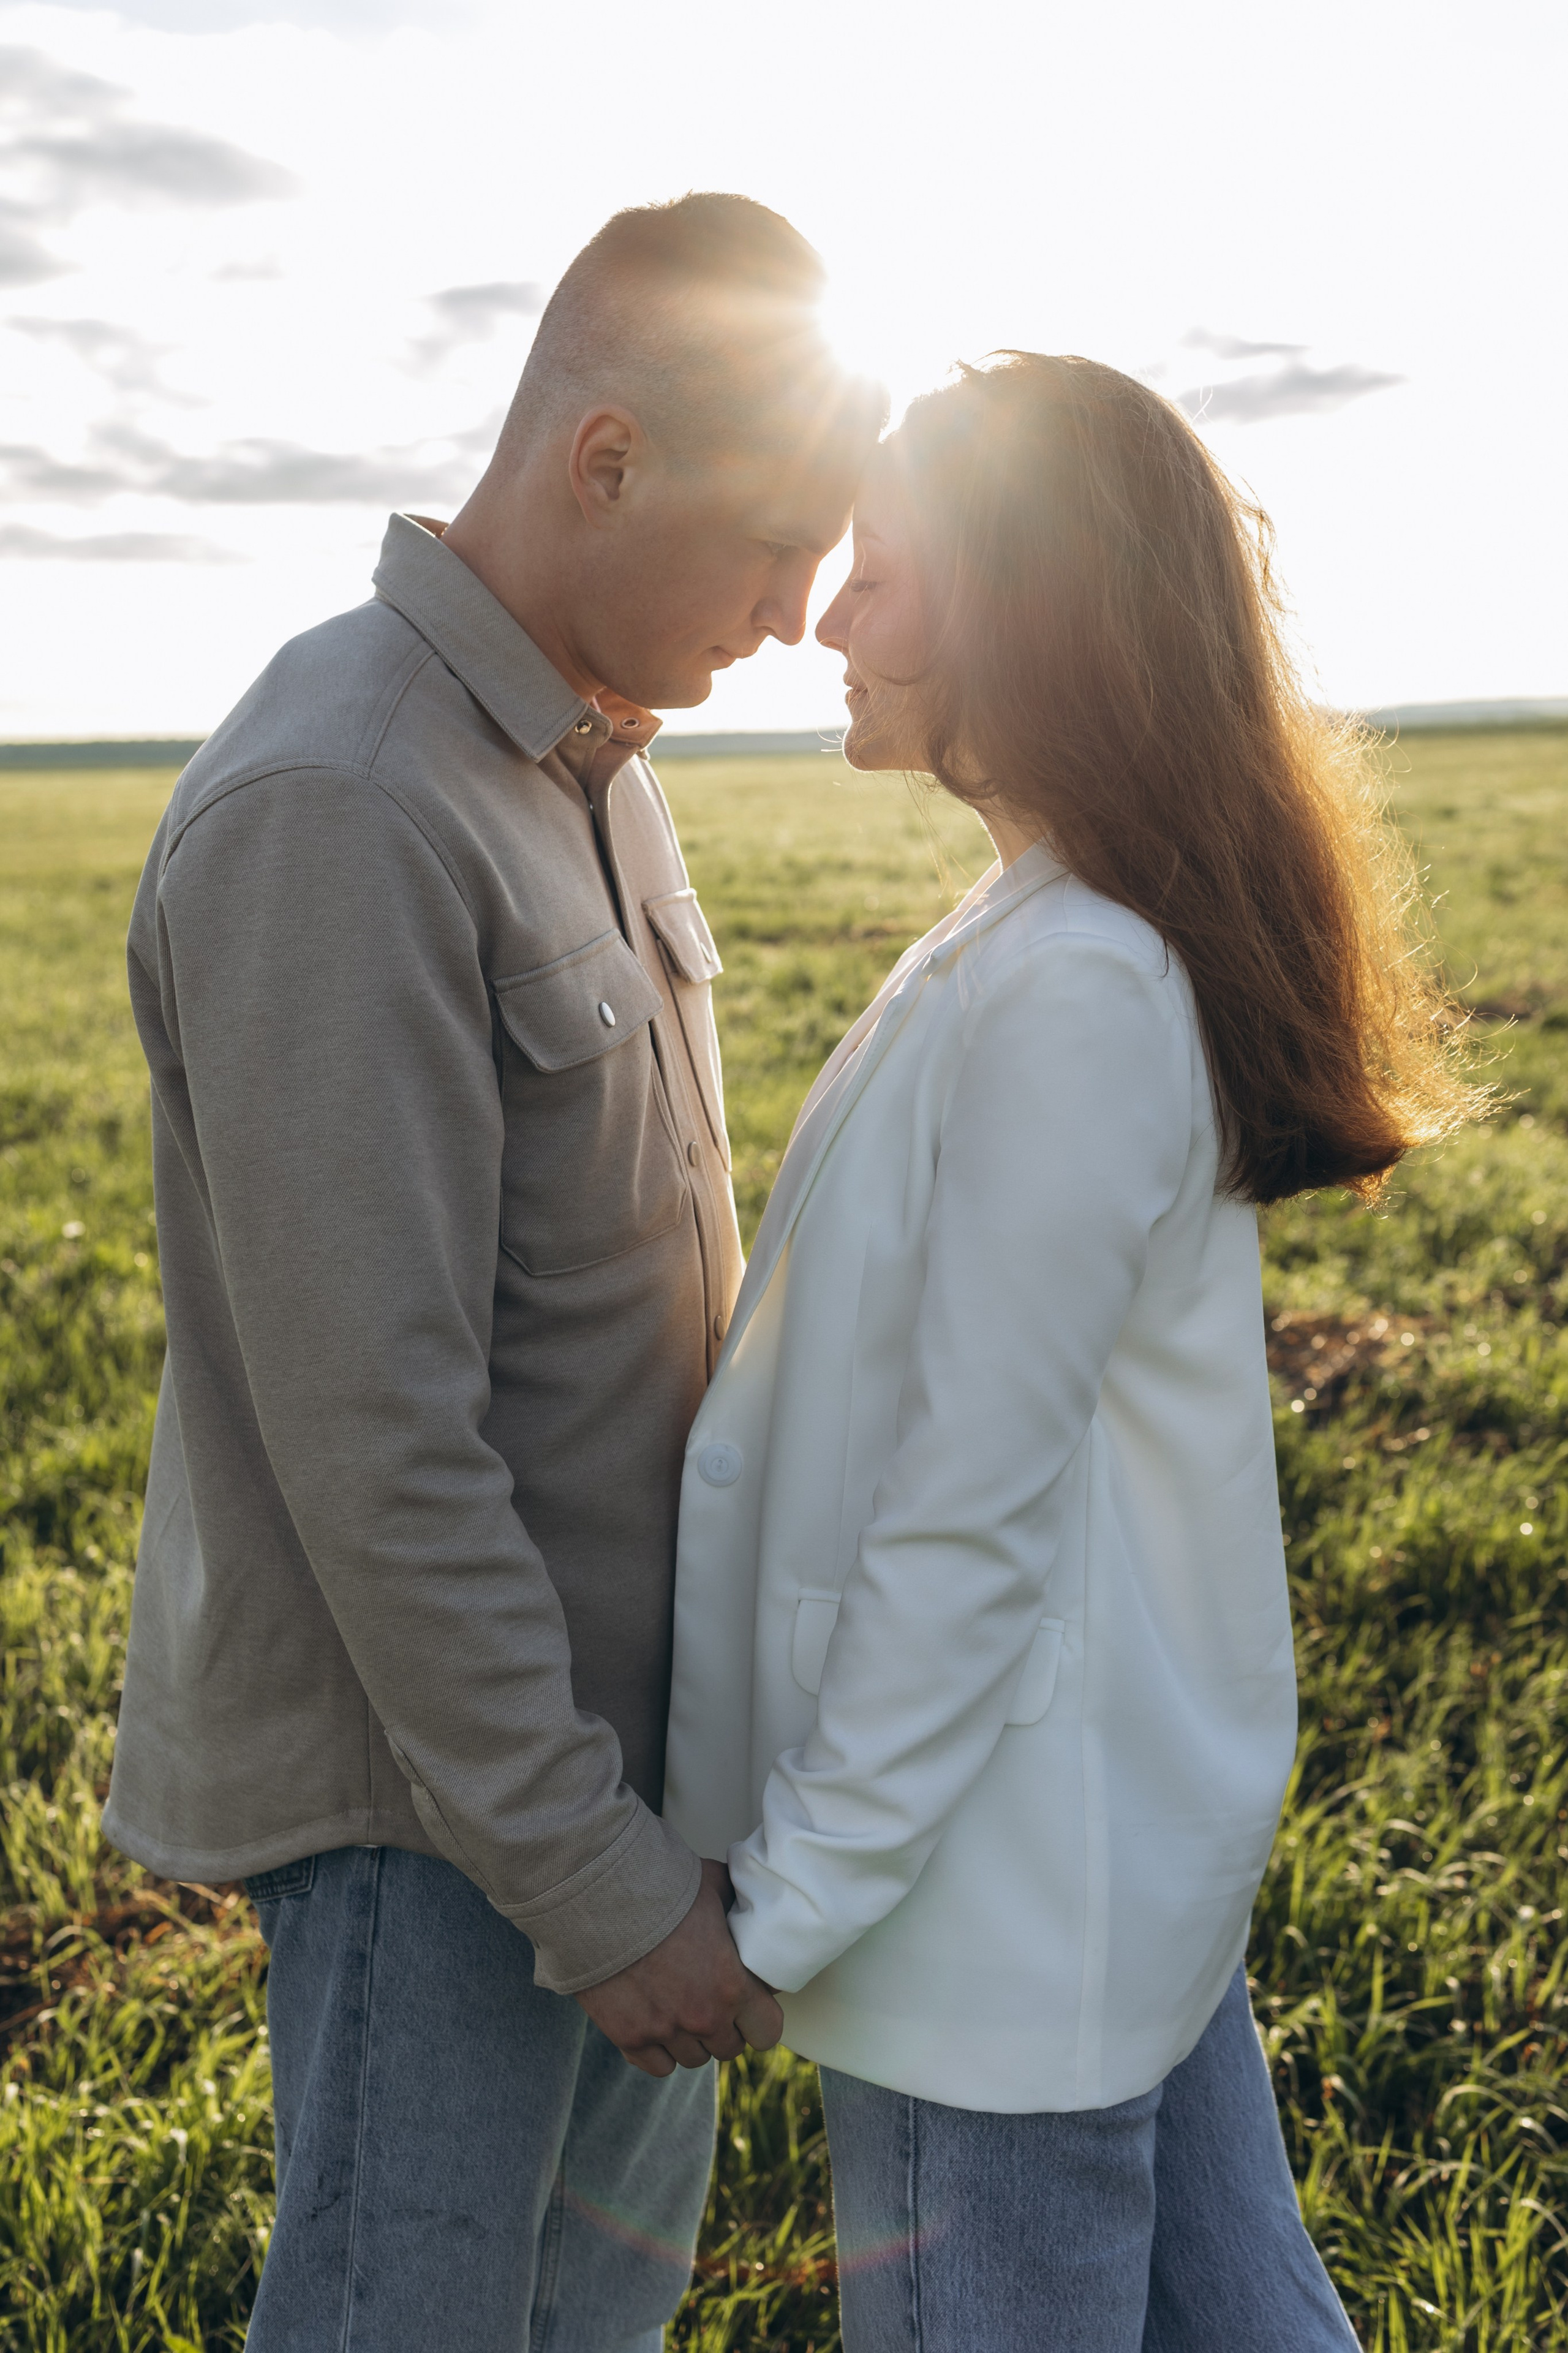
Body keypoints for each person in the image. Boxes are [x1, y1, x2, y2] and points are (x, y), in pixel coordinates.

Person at [104, 194, 881, 2351]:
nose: (803, 611)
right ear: (603, 458)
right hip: (445, 1832)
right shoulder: (342, 799)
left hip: (606, 1792)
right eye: (773, 543)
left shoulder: (597, 760)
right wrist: (594, 1880)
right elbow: (381, 1447)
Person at [664, 353, 1477, 2349]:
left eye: (883, 573)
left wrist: (785, 1904)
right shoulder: (1043, 932)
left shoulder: (1078, 985)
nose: (828, 618)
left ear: (1024, 610)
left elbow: (966, 1524)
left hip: (993, 1918)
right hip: (1075, 1868)